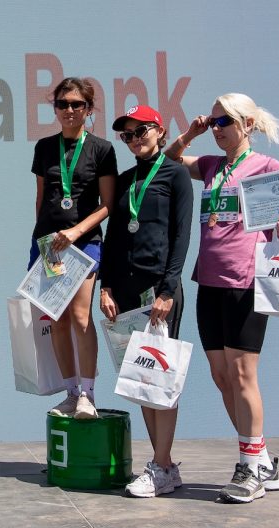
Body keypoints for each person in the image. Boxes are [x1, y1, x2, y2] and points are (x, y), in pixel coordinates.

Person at [164, 93, 279, 503]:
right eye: (214, 122)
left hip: (246, 281)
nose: (217, 129)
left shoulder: (266, 167)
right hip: (209, 281)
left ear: (248, 125)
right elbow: (169, 160)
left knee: (242, 375)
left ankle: (249, 467)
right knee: (222, 376)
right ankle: (262, 459)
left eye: (225, 122)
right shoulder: (211, 166)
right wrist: (192, 132)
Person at [99, 105, 193, 498]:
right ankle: (163, 466)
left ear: (159, 130)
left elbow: (182, 236)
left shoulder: (175, 174)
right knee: (142, 380)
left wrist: (168, 290)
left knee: (162, 378)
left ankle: (161, 464)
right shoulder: (125, 180)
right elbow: (114, 237)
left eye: (141, 131)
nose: (135, 139)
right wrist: (105, 286)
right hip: (125, 291)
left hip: (159, 291)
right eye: (127, 135)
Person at [30, 78, 116, 419]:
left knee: (81, 316)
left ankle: (88, 395)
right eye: (62, 104)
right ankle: (71, 393)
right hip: (50, 246)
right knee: (58, 318)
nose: (69, 110)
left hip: (84, 243)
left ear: (88, 109)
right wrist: (44, 241)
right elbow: (41, 199)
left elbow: (108, 204)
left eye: (77, 104)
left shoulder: (102, 149)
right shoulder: (44, 147)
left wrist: (77, 231)